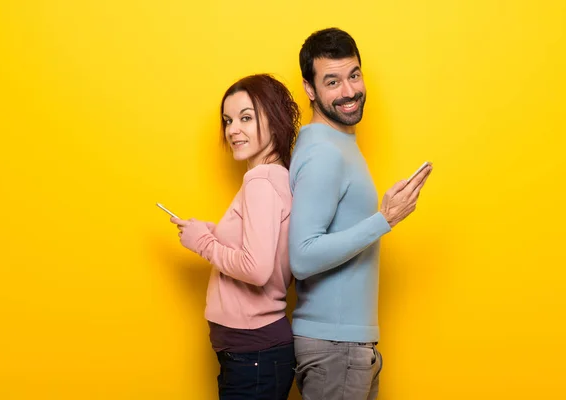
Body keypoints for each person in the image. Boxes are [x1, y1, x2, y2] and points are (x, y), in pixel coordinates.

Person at [289, 28, 433, 399]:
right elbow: (302, 256)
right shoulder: (324, 152)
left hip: (348, 345)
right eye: (332, 81)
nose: (349, 91)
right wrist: (384, 219)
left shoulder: (339, 144)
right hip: (335, 346)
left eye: (354, 75)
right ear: (310, 89)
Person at [170, 74, 301, 400]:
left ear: (274, 120)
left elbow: (257, 270)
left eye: (246, 118)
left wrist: (203, 243)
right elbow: (267, 251)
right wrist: (210, 233)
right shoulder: (278, 178)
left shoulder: (260, 182)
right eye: (228, 120)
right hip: (253, 353)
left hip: (253, 354)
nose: (232, 130)